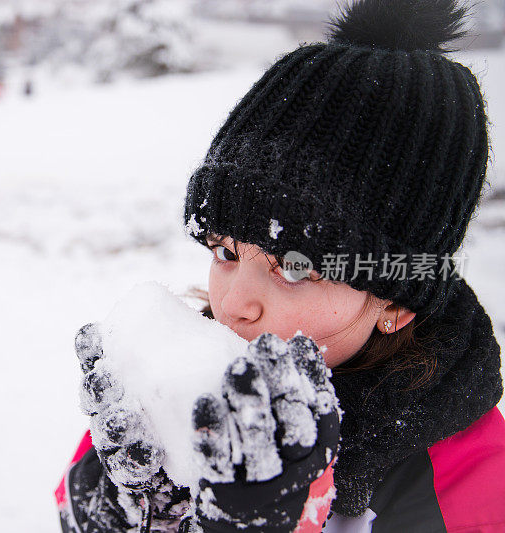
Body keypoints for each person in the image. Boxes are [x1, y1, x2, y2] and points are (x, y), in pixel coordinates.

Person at [56, 0, 505, 532]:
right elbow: (69, 511)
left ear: (395, 300)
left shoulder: (465, 472)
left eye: (295, 268)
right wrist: (111, 509)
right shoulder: (180, 386)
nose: (232, 306)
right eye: (225, 252)